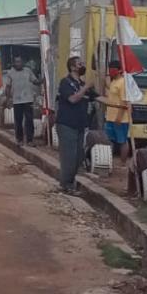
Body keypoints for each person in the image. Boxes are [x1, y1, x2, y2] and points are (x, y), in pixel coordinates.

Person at [55, 55, 95, 195]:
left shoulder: (82, 84)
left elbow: (98, 98)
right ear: (72, 67)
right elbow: (72, 99)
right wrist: (86, 88)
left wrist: (121, 105)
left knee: (78, 156)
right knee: (69, 157)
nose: (82, 66)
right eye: (79, 64)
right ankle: (67, 185)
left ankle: (68, 182)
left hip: (79, 126)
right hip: (66, 125)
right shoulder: (65, 82)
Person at [96, 59, 132, 163]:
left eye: (113, 70)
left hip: (121, 119)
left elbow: (124, 102)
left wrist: (119, 118)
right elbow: (108, 85)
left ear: (120, 70)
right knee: (109, 140)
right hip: (110, 117)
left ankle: (123, 163)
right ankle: (108, 161)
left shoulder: (123, 83)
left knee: (122, 141)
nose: (111, 71)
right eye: (110, 69)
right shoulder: (114, 82)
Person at [3, 54, 38, 146]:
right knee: (18, 120)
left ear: (23, 62)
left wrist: (43, 80)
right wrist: (7, 99)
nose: (19, 63)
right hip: (17, 100)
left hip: (28, 100)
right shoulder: (11, 73)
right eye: (17, 62)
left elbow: (35, 81)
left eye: (20, 61)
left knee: (29, 120)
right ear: (14, 63)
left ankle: (30, 140)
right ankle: (19, 140)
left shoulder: (28, 71)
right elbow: (8, 87)